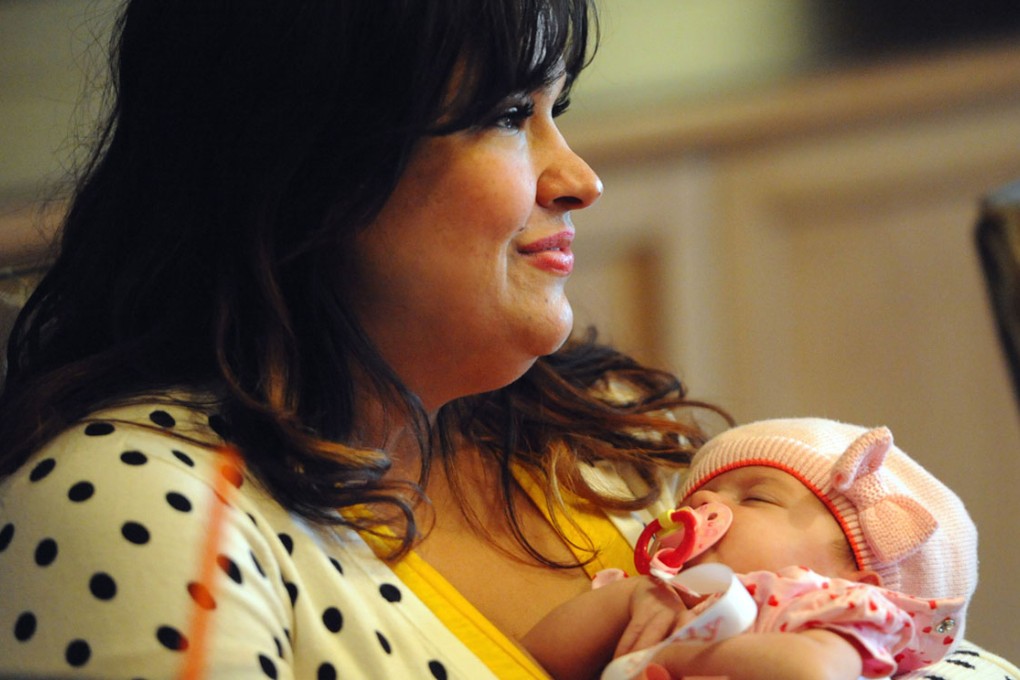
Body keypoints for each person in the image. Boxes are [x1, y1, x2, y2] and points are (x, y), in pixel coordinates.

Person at [0, 1, 727, 677]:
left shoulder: (596, 422)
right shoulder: (135, 508)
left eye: (554, 110)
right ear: (311, 158)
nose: (580, 180)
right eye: (508, 115)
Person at [524, 418, 1020, 680]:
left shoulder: (830, 612)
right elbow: (537, 659)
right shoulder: (655, 598)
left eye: (756, 496)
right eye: (695, 497)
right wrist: (627, 601)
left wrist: (681, 654)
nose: (703, 503)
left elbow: (812, 673)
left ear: (857, 584)